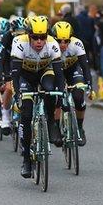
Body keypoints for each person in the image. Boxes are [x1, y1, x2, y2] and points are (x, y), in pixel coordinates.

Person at [10, 15, 65, 178]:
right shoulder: (20, 43)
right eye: (35, 38)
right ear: (28, 35)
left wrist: (59, 98)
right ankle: (27, 159)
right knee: (26, 115)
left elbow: (59, 75)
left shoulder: (52, 44)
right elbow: (15, 74)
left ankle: (49, 123)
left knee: (50, 90)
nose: (39, 42)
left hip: (43, 72)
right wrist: (18, 94)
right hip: (25, 76)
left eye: (43, 37)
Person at [51, 21, 95, 146]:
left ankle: (80, 128)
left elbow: (85, 67)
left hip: (73, 70)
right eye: (59, 41)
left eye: (66, 41)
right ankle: (57, 129)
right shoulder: (49, 45)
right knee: (56, 98)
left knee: (78, 96)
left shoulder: (77, 44)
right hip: (56, 71)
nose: (63, 44)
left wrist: (89, 87)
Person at [0, 16, 25, 135]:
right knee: (9, 88)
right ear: (12, 31)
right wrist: (2, 76)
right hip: (10, 63)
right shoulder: (7, 38)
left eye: (22, 33)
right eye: (17, 34)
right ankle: (6, 116)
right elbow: (1, 58)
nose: (19, 37)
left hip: (25, 64)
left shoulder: (29, 39)